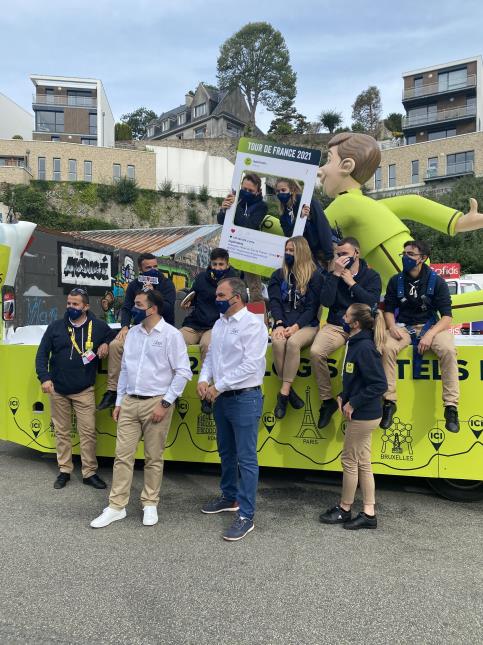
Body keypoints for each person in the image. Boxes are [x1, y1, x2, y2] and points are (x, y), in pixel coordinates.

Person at [320, 131, 483, 325]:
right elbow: (411, 203)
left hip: (402, 260)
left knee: (432, 308)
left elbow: (305, 232)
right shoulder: (361, 203)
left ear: (347, 166)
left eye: (328, 160)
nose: (320, 171)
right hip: (404, 258)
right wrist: (457, 221)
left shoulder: (345, 203)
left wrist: (273, 222)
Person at [90, 290, 192, 528]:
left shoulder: (171, 335)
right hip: (129, 402)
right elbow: (125, 369)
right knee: (122, 456)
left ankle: (150, 503)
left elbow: (183, 371)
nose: (132, 308)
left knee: (153, 458)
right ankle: (116, 506)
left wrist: (165, 403)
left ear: (153, 308)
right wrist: (118, 402)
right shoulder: (133, 334)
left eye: (138, 304)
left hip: (156, 403)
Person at [197, 277, 267, 541]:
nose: (217, 299)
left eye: (221, 295)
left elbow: (251, 365)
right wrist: (204, 379)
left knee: (246, 459)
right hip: (222, 397)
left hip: (244, 398)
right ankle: (229, 497)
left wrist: (219, 385)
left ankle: (246, 515)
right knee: (226, 452)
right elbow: (212, 358)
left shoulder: (253, 325)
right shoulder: (219, 323)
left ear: (236, 297)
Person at [35, 288, 117, 489]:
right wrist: (45, 378)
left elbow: (114, 335)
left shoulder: (98, 326)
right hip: (58, 389)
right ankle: (64, 470)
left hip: (84, 390)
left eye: (76, 304)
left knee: (88, 432)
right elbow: (42, 355)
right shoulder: (55, 327)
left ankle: (89, 472)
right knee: (62, 432)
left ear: (86, 306)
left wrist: (107, 343)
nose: (71, 307)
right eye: (69, 303)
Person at [380, 240, 460, 433]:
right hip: (404, 327)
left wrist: (430, 335)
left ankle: (451, 407)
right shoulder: (395, 280)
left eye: (410, 254)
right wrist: (391, 326)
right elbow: (388, 309)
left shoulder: (437, 281)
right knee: (386, 348)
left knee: (448, 350)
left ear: (422, 258)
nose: (405, 257)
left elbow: (447, 316)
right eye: (404, 253)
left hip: (432, 326)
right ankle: (389, 402)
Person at [319, 303, 387, 530]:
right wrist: (342, 396)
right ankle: (369, 512)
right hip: (361, 412)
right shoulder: (355, 343)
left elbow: (379, 384)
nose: (342, 316)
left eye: (346, 315)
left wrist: (354, 402)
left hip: (364, 415)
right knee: (364, 463)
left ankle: (345, 508)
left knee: (349, 461)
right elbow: (355, 379)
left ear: (355, 323)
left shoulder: (365, 347)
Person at [310, 237, 382, 429]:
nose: (341, 258)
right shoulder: (332, 273)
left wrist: (352, 283)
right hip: (337, 325)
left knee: (372, 357)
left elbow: (372, 302)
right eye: (338, 254)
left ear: (356, 253)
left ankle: (380, 401)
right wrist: (334, 275)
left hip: (363, 326)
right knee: (316, 352)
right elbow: (325, 301)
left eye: (345, 254)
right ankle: (328, 401)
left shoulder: (371, 276)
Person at [97, 253, 176, 410]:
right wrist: (125, 326)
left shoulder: (166, 284)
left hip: (162, 328)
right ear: (141, 269)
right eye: (148, 268)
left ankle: (172, 393)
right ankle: (112, 391)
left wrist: (154, 294)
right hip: (139, 329)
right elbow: (126, 307)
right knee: (115, 345)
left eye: (155, 267)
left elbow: (168, 308)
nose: (153, 270)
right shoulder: (134, 285)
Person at [268, 236, 323, 419]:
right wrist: (279, 324)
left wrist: (296, 326)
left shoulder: (315, 276)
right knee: (277, 342)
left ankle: (283, 393)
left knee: (292, 343)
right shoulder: (277, 275)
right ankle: (288, 392)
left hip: (307, 324)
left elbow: (312, 308)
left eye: (292, 251)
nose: (288, 254)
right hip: (283, 323)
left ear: (301, 252)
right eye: (287, 250)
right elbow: (275, 302)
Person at [179, 247, 238, 363]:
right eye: (214, 264)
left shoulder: (234, 281)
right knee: (174, 339)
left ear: (227, 264)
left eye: (221, 264)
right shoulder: (201, 278)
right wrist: (189, 302)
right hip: (195, 324)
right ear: (210, 263)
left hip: (217, 325)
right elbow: (192, 295)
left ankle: (207, 380)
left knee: (207, 345)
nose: (217, 267)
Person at [217, 173, 268, 303]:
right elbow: (221, 221)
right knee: (229, 287)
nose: (246, 192)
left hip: (250, 252)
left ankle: (257, 319)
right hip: (232, 248)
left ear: (258, 191)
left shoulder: (261, 206)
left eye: (250, 191)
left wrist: (235, 207)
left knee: (255, 292)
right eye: (244, 189)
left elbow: (249, 226)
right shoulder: (235, 200)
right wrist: (223, 210)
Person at [275, 178, 333, 265]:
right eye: (278, 191)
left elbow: (322, 225)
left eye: (283, 190)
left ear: (292, 190)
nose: (280, 193)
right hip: (304, 255)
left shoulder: (307, 201)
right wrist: (299, 218)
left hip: (321, 251)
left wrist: (329, 253)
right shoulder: (283, 213)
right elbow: (289, 235)